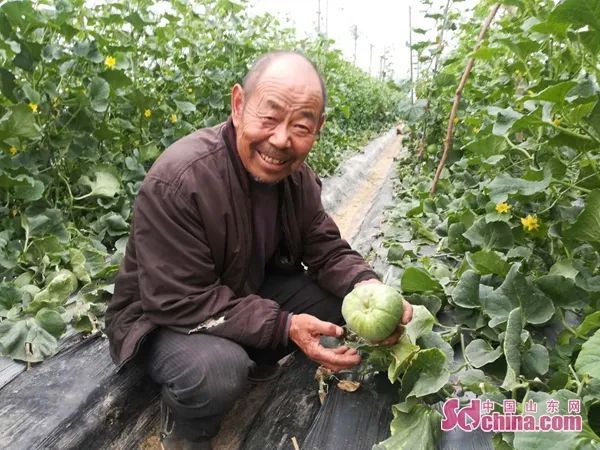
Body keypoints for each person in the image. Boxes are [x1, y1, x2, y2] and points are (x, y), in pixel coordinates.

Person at [105, 50, 413, 450]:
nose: (281, 139)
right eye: (268, 117)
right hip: (162, 314)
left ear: (317, 129)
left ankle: (254, 351)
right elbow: (178, 299)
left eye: (301, 125)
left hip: (237, 291)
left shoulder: (296, 179)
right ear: (238, 105)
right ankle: (186, 429)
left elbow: (326, 248)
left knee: (341, 303)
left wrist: (369, 289)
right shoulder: (180, 180)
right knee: (218, 372)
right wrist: (284, 326)